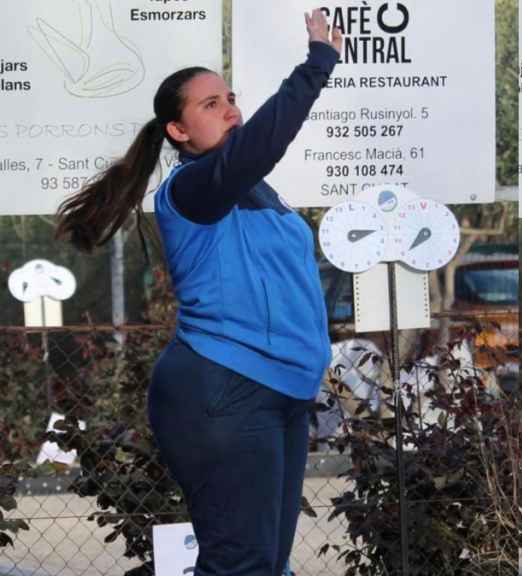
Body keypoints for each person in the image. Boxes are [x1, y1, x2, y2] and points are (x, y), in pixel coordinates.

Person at [54, 9, 342, 575]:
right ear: (178, 133)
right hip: (225, 389)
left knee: (265, 565)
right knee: (241, 566)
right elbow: (259, 144)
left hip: (280, 390)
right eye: (210, 105)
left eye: (231, 98)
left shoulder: (255, 192)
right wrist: (316, 65)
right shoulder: (191, 188)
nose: (230, 109)